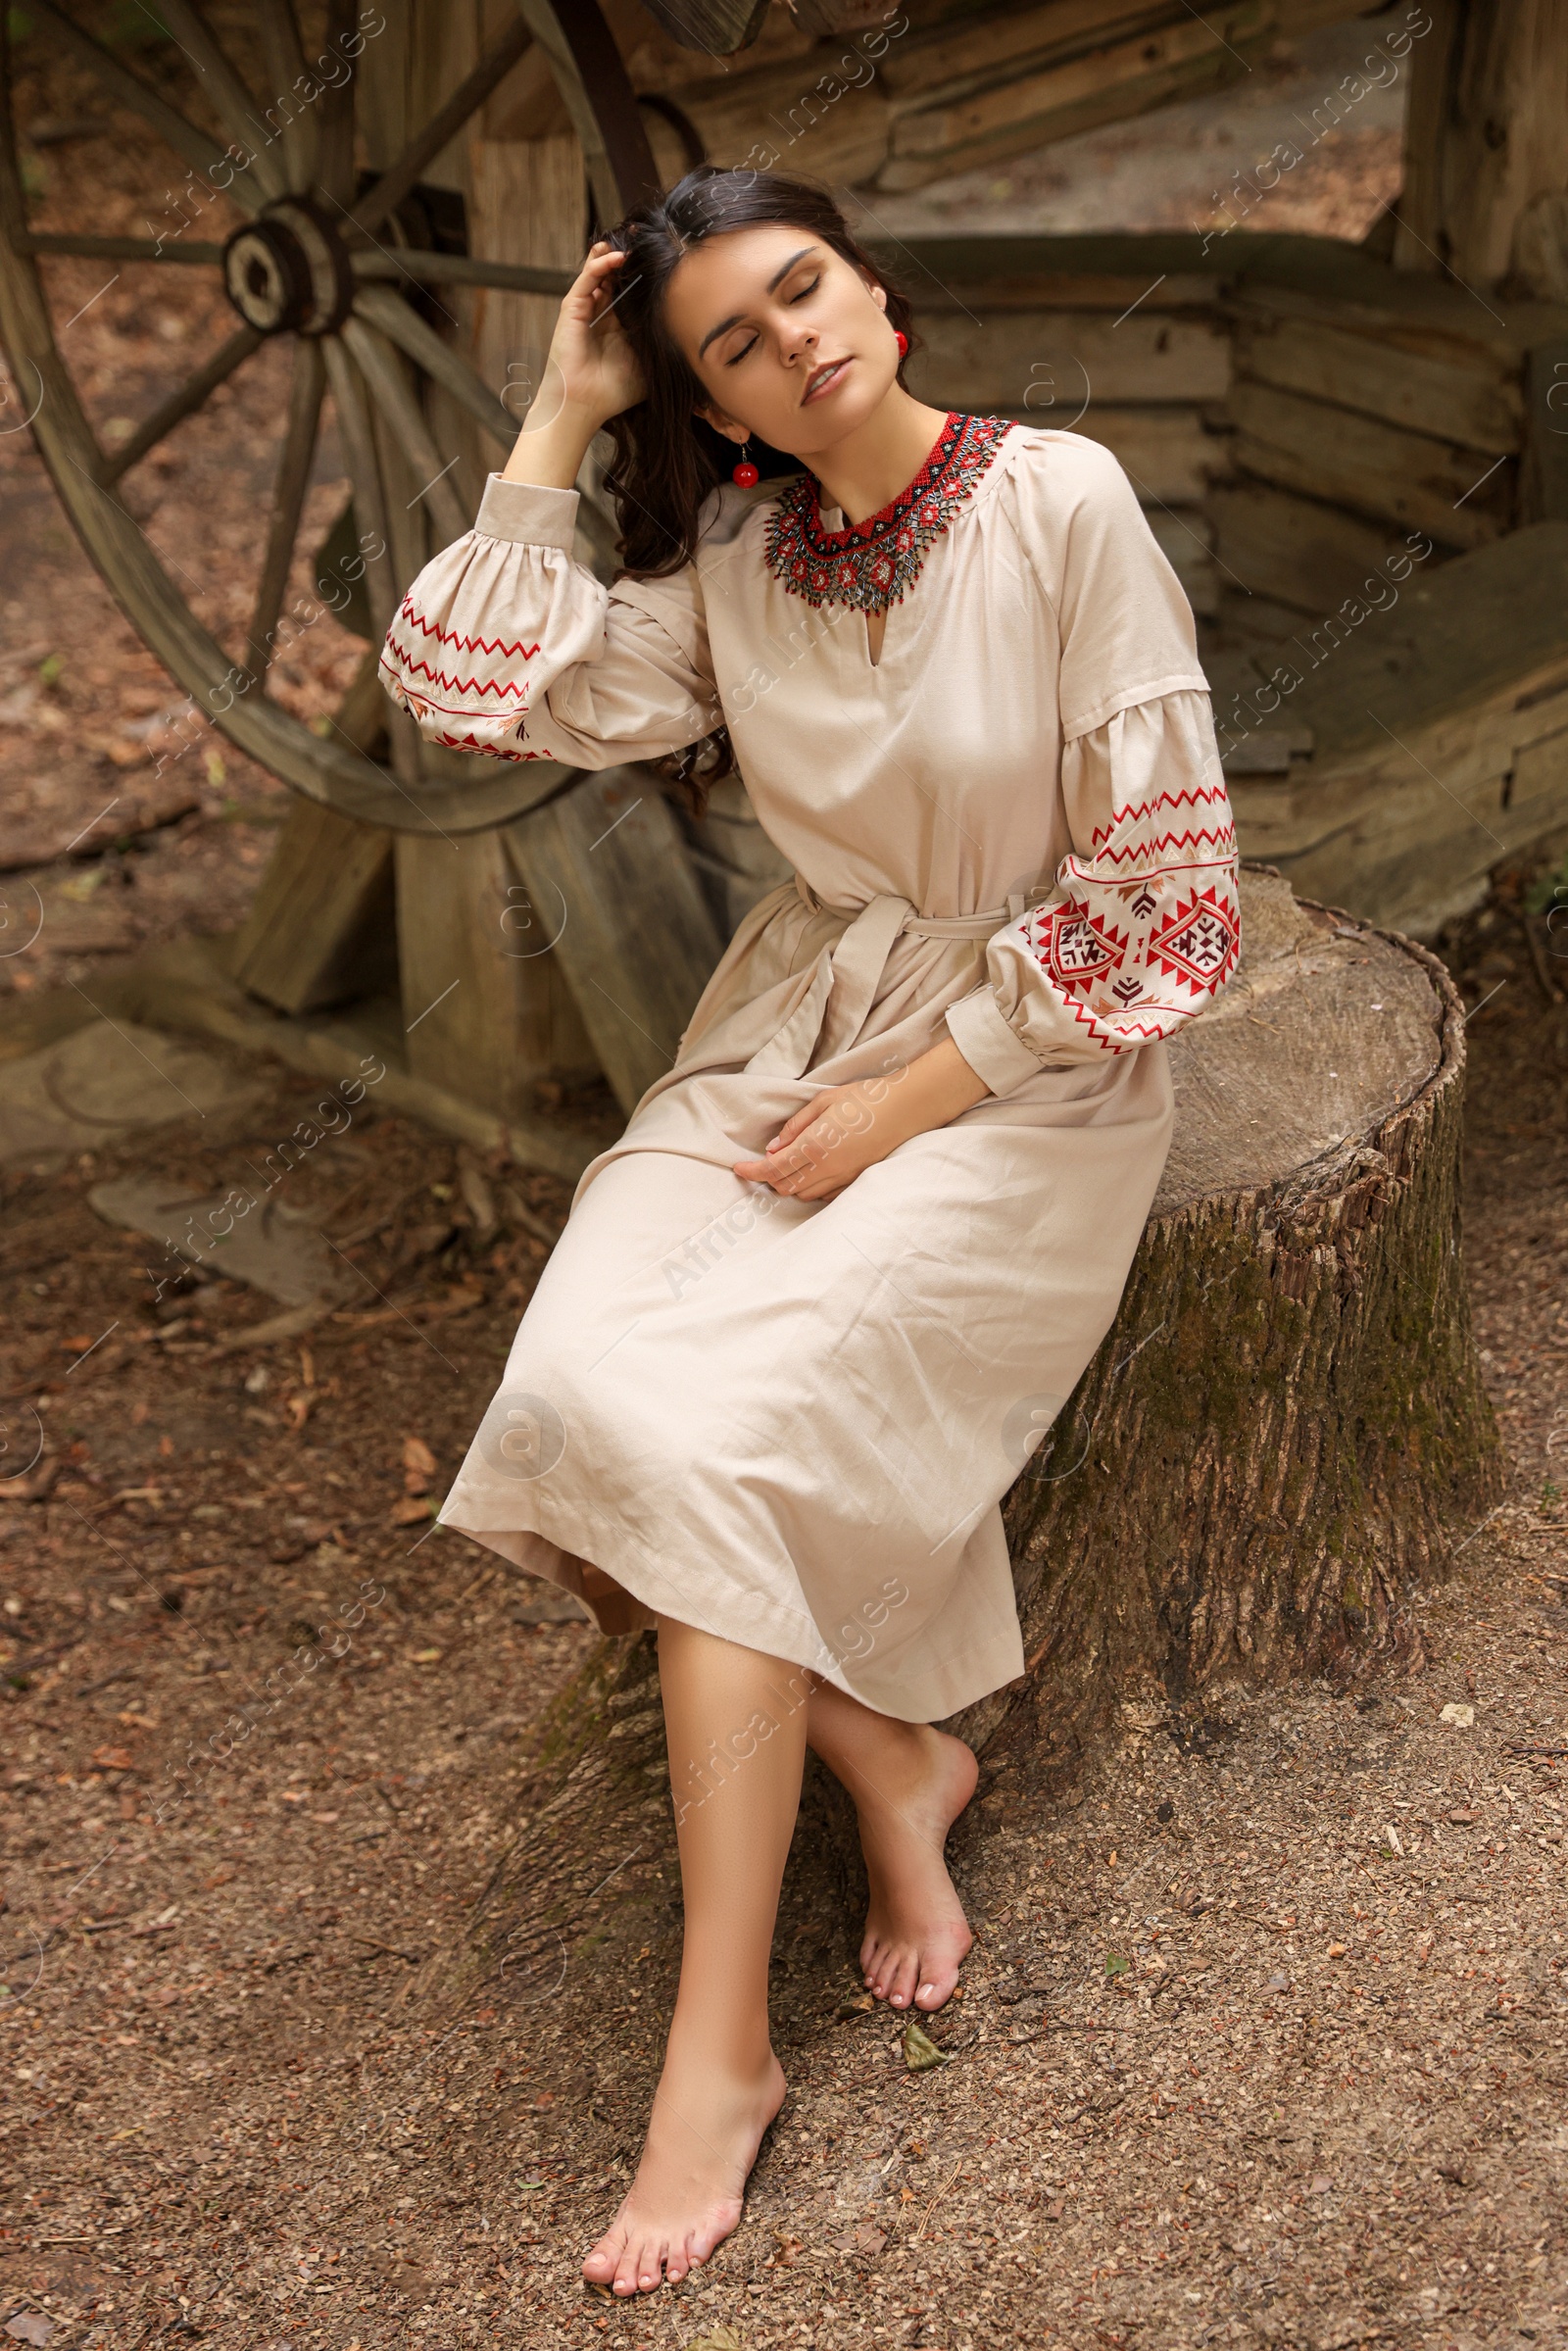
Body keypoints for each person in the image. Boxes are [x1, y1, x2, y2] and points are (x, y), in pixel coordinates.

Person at [378, 165, 1241, 2300]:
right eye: (731, 345)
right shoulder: (742, 562)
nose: (791, 340)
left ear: (875, 291)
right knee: (571, 1401)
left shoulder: (1060, 503)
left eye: (803, 290)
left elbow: (1167, 891)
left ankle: (721, 2048)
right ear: (723, 404)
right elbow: (470, 696)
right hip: (787, 1033)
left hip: (1016, 1069)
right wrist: (559, 426)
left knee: (699, 1446)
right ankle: (890, 1750)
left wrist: (902, 1110)